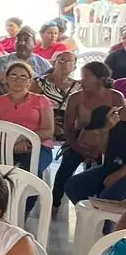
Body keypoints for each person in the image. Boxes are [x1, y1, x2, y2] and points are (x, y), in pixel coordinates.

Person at [53, 62, 126, 208]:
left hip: (108, 143)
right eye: (82, 76)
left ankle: (97, 205)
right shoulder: (75, 98)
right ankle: (55, 203)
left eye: (86, 77)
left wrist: (99, 149)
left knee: (102, 169)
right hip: (80, 141)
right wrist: (79, 149)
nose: (82, 80)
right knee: (66, 167)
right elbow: (69, 129)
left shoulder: (115, 97)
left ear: (100, 79)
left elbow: (119, 129)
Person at [0, 61, 55, 175]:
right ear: (6, 78)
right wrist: (11, 145)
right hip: (3, 147)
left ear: (29, 81)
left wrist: (25, 141)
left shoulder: (41, 100)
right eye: (13, 75)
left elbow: (48, 131)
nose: (18, 80)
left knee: (28, 169)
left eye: (23, 77)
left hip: (37, 146)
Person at [65, 105, 126, 204]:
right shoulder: (113, 116)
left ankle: (104, 213)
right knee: (73, 186)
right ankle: (88, 213)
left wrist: (117, 175)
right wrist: (106, 129)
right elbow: (105, 151)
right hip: (113, 167)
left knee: (108, 198)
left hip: (122, 172)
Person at [34, 49, 79, 142]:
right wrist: (49, 122)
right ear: (54, 63)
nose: (65, 64)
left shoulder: (78, 86)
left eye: (69, 61)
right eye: (62, 60)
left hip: (70, 127)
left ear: (74, 67)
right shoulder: (40, 82)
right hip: (44, 124)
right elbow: (30, 105)